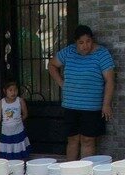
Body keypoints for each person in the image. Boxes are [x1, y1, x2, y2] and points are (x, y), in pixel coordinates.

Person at [48, 25, 116, 160]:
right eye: (81, 42)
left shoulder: (102, 54)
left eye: (88, 41)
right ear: (75, 42)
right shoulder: (68, 52)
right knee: (72, 139)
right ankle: (70, 172)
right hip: (70, 105)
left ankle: (86, 174)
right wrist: (62, 83)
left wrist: (106, 104)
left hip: (92, 107)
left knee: (88, 140)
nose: (85, 46)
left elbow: (110, 80)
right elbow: (52, 65)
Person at [0, 81, 31, 161]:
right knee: (8, 155)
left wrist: (17, 121)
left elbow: (25, 114)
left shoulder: (20, 101)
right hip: (6, 133)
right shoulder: (1, 103)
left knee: (19, 153)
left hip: (18, 132)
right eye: (10, 90)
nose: (13, 92)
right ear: (5, 91)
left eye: (15, 90)